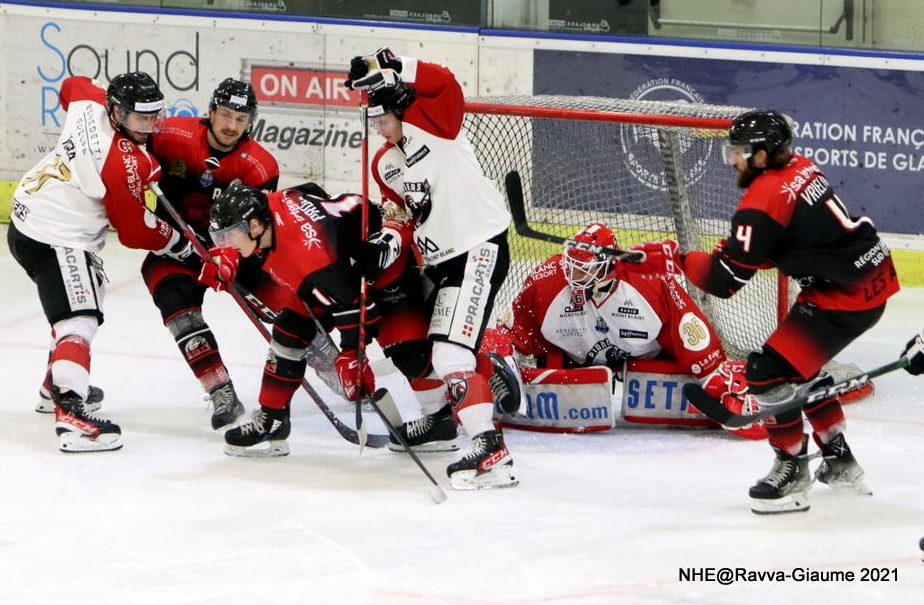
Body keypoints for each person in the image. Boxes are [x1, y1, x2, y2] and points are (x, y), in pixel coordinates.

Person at [626, 109, 899, 514]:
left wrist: (677, 259)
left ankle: (792, 468)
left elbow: (724, 283)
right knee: (799, 367)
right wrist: (733, 253)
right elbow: (789, 240)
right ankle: (841, 463)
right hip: (869, 277)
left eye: (739, 151)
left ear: (762, 154)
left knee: (766, 371)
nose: (733, 160)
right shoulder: (800, 168)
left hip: (844, 294)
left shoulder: (763, 199)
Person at [346, 47, 517, 490]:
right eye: (373, 120)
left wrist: (394, 64)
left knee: (449, 355)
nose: (379, 128)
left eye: (383, 118)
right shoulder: (384, 164)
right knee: (417, 345)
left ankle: (489, 446)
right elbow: (401, 220)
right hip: (439, 262)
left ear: (401, 109)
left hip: (478, 248)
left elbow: (444, 83)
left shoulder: (437, 125)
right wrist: (384, 244)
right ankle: (449, 413)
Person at [9, 72, 197, 453]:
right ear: (116, 112)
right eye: (140, 118)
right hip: (55, 234)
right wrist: (180, 243)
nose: (149, 126)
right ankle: (71, 415)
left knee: (92, 287)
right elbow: (135, 231)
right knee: (79, 318)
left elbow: (71, 85)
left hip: (29, 215)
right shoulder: (122, 162)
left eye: (153, 116)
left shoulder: (89, 99)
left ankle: (53, 384)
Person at [201, 182, 435, 458]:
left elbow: (356, 305)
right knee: (289, 330)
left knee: (411, 357)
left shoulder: (307, 258)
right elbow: (312, 189)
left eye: (228, 236)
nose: (225, 244)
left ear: (254, 225)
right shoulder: (273, 202)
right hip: (341, 266)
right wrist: (229, 259)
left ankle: (445, 414)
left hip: (384, 268)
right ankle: (272, 419)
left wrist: (352, 355)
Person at [480, 222, 765, 439]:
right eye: (571, 265)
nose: (573, 275)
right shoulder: (547, 281)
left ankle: (747, 390)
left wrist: (714, 375)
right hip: (572, 362)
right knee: (489, 354)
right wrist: (495, 358)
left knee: (711, 374)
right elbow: (510, 332)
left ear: (606, 266)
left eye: (583, 268)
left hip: (649, 359)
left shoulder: (650, 283)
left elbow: (689, 330)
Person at [141, 78, 278, 431]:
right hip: (174, 247)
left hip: (235, 251)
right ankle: (220, 392)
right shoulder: (170, 135)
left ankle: (335, 367)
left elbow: (258, 231)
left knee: (285, 307)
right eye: (227, 115)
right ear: (211, 112)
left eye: (241, 119)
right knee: (177, 307)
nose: (232, 125)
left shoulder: (260, 166)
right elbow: (130, 156)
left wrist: (230, 257)